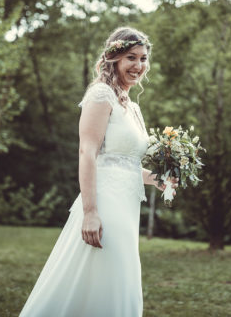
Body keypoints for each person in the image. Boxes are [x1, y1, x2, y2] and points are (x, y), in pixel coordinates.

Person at [18, 26, 177, 317]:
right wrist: (91, 212)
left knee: (116, 278)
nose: (138, 66)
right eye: (131, 57)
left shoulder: (131, 106)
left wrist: (159, 180)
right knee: (103, 277)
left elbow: (123, 163)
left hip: (127, 207)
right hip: (104, 204)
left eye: (143, 58)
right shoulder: (100, 95)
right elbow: (87, 153)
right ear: (113, 57)